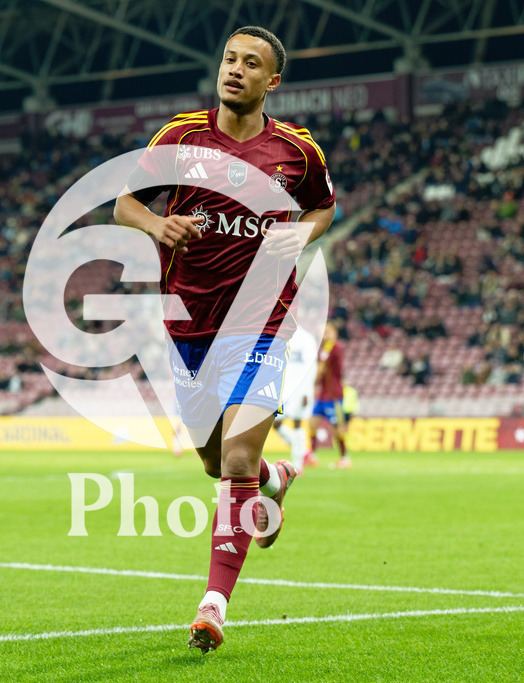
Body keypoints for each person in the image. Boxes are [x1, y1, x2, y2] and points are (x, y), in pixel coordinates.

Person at [113, 25, 336, 654]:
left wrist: (303, 234)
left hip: (260, 322)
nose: (235, 69)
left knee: (230, 463)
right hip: (187, 325)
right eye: (229, 59)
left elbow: (324, 206)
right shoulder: (180, 136)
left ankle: (213, 605)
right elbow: (123, 203)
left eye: (251, 63)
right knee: (217, 463)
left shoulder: (297, 151)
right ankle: (274, 477)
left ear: (273, 82)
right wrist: (158, 224)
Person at [274, 325, 319, 473]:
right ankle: (301, 449)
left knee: (297, 423)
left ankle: (297, 466)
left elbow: (311, 367)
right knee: (275, 423)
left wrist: (307, 391)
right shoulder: (279, 336)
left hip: (300, 389)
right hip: (283, 388)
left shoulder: (306, 339)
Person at [308, 322, 347, 466]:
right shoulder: (324, 348)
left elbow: (321, 369)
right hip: (322, 395)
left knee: (337, 429)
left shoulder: (333, 347)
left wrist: (310, 384)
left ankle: (344, 458)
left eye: (327, 332)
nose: (324, 335)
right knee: (312, 424)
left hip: (334, 395)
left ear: (334, 333)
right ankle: (312, 456)